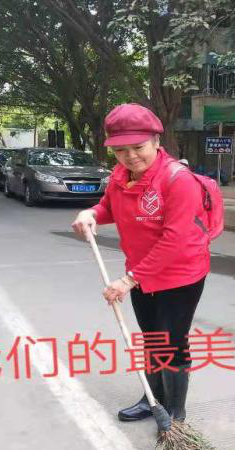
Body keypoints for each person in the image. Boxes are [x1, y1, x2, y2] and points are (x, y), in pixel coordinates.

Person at [71, 103, 210, 423]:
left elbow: (174, 240)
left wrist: (128, 280)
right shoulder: (120, 176)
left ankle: (175, 411)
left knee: (172, 343)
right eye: (121, 150)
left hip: (180, 274)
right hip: (141, 274)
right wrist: (91, 213)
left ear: (156, 142)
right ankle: (153, 400)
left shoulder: (178, 179)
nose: (130, 156)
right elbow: (109, 208)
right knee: (152, 339)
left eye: (138, 147)